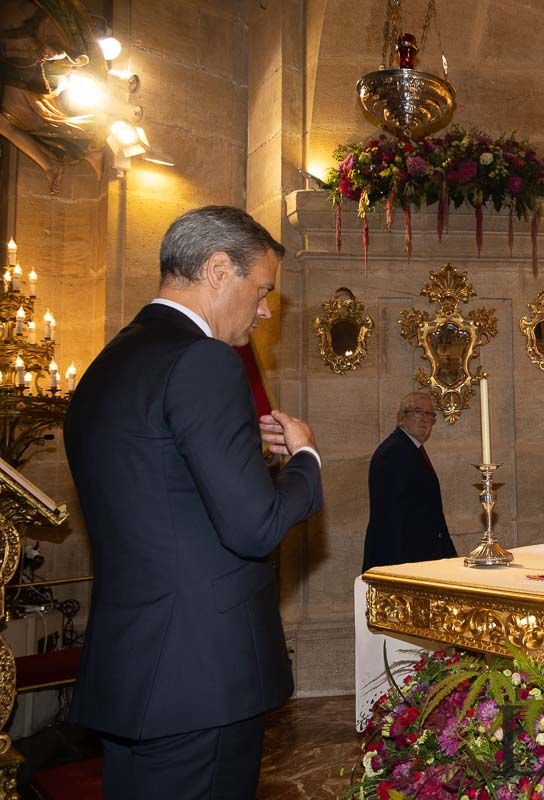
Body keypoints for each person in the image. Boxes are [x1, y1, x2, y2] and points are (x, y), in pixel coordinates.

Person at [63, 206, 324, 799]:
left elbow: (163, 500)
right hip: (201, 677)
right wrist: (306, 461)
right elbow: (255, 527)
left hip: (134, 675)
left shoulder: (107, 366)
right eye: (261, 289)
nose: (264, 309)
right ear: (216, 269)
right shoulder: (204, 361)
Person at [361, 392, 456, 571]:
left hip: (421, 555)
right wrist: (399, 569)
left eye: (430, 414)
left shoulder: (410, 448)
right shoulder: (393, 452)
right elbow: (389, 517)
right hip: (403, 559)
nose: (425, 419)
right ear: (401, 418)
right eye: (418, 412)